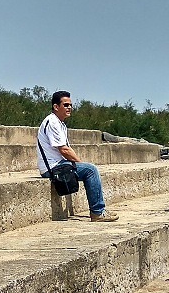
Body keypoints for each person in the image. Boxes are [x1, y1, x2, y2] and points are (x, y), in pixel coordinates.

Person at [36, 91, 118, 222]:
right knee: (90, 170)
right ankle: (97, 212)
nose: (69, 108)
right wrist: (80, 164)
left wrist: (78, 164)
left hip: (58, 164)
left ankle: (98, 210)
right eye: (66, 105)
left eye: (70, 105)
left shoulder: (59, 123)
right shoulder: (52, 122)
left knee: (88, 168)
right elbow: (64, 150)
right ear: (56, 107)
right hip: (52, 168)